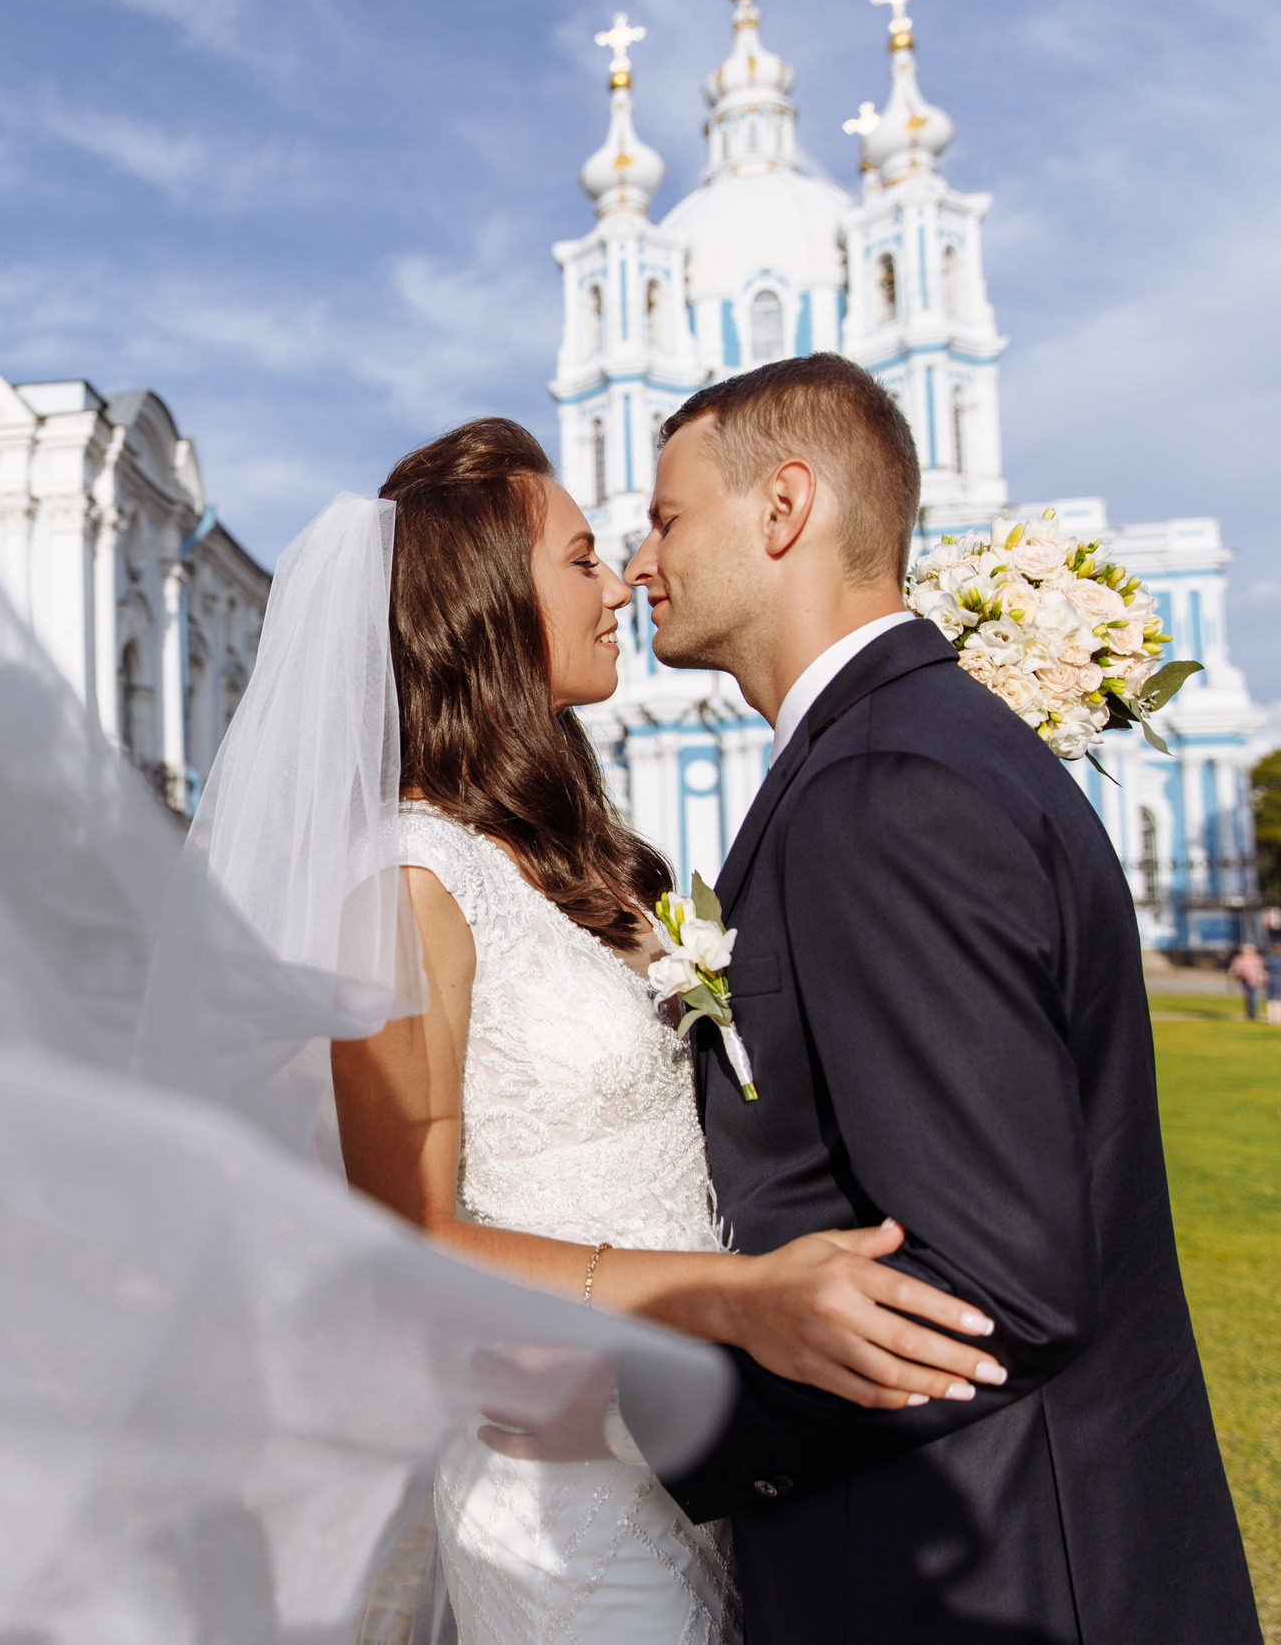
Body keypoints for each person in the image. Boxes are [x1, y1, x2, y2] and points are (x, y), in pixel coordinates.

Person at [210, 422, 1005, 1645]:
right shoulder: (405, 880)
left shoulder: (575, 854)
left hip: (705, 1433)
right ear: (485, 607)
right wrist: (727, 1297)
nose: (624, 579)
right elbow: (400, 1233)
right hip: (559, 1471)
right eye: (583, 559)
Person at [620, 355, 1258, 1642]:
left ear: (783, 507)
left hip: (985, 1555)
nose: (641, 562)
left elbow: (996, 1283)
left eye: (667, 517)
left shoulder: (884, 792)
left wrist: (660, 1418)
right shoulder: (921, 744)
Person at [1228, 942, 1267, 1022]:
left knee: (1252, 997)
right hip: (1244, 979)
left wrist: (1261, 978)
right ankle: (1249, 1013)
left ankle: (1253, 1014)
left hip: (1255, 980)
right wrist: (1236, 973)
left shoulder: (1257, 959)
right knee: (1248, 997)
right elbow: (1234, 969)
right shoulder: (1239, 959)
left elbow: (1261, 970)